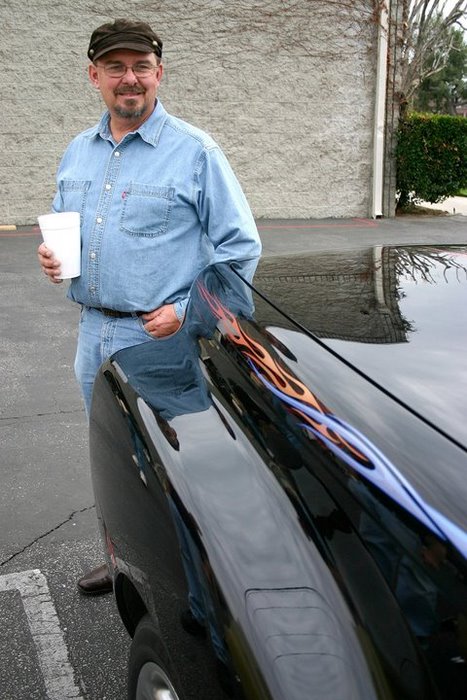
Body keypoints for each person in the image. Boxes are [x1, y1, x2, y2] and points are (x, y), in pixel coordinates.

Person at [37, 18, 262, 595]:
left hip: (162, 341)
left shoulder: (195, 152)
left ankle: (196, 590)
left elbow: (241, 250)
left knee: (178, 470)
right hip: (94, 334)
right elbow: (79, 232)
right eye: (116, 67)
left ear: (159, 74)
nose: (129, 78)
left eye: (141, 66)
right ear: (95, 76)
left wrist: (188, 312)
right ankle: (120, 563)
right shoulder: (76, 153)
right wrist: (56, 258)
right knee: (114, 460)